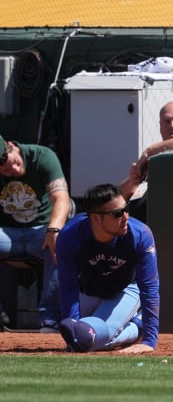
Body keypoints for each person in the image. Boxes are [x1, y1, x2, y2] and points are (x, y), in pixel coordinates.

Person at [56, 183, 159, 354]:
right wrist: (72, 332)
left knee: (94, 339)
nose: (126, 216)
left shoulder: (140, 234)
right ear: (96, 218)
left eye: (126, 209)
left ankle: (138, 326)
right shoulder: (70, 236)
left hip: (126, 289)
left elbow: (149, 287)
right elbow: (68, 286)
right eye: (118, 214)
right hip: (89, 291)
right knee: (81, 337)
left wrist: (149, 340)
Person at [0, 134, 72, 332]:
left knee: (62, 243)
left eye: (14, 162)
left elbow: (61, 199)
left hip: (41, 230)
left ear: (13, 147)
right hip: (7, 234)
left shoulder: (41, 157)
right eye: (5, 170)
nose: (14, 170)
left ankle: (49, 320)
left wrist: (54, 229)